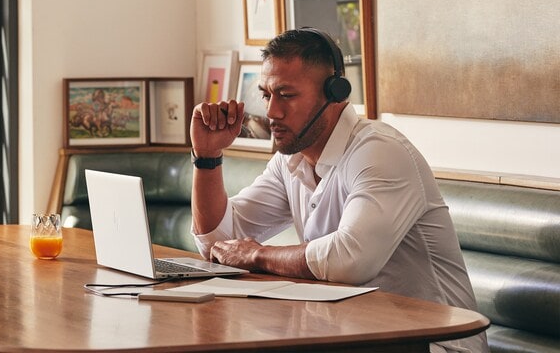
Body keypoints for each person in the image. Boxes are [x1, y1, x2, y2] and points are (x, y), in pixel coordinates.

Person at [190, 29, 488, 353]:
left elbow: (350, 260)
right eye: (266, 95)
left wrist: (258, 254)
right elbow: (218, 244)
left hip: (435, 345)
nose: (272, 112)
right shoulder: (290, 160)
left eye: (286, 95)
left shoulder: (378, 151)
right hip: (352, 337)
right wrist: (207, 157)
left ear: (335, 93)